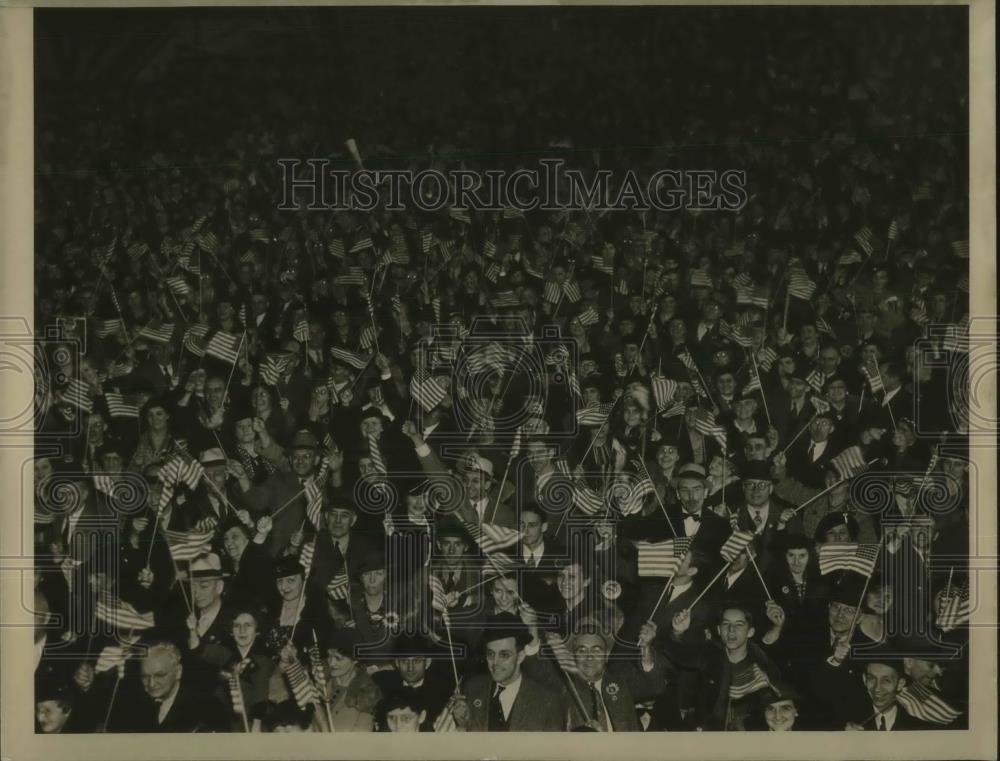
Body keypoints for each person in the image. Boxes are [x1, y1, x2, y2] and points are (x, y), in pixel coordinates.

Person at [448, 614, 565, 731]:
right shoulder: (472, 689)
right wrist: (462, 726)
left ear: (520, 657)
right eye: (490, 654)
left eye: (504, 655)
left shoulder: (547, 702)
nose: (495, 663)